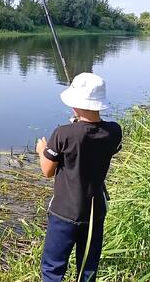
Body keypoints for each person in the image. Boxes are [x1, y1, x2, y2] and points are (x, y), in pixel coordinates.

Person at [36, 73, 122, 282]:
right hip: (95, 213)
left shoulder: (63, 134)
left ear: (75, 103)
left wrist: (42, 150)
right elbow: (92, 137)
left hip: (64, 213)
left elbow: (47, 171)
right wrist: (79, 123)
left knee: (53, 268)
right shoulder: (114, 131)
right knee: (88, 268)